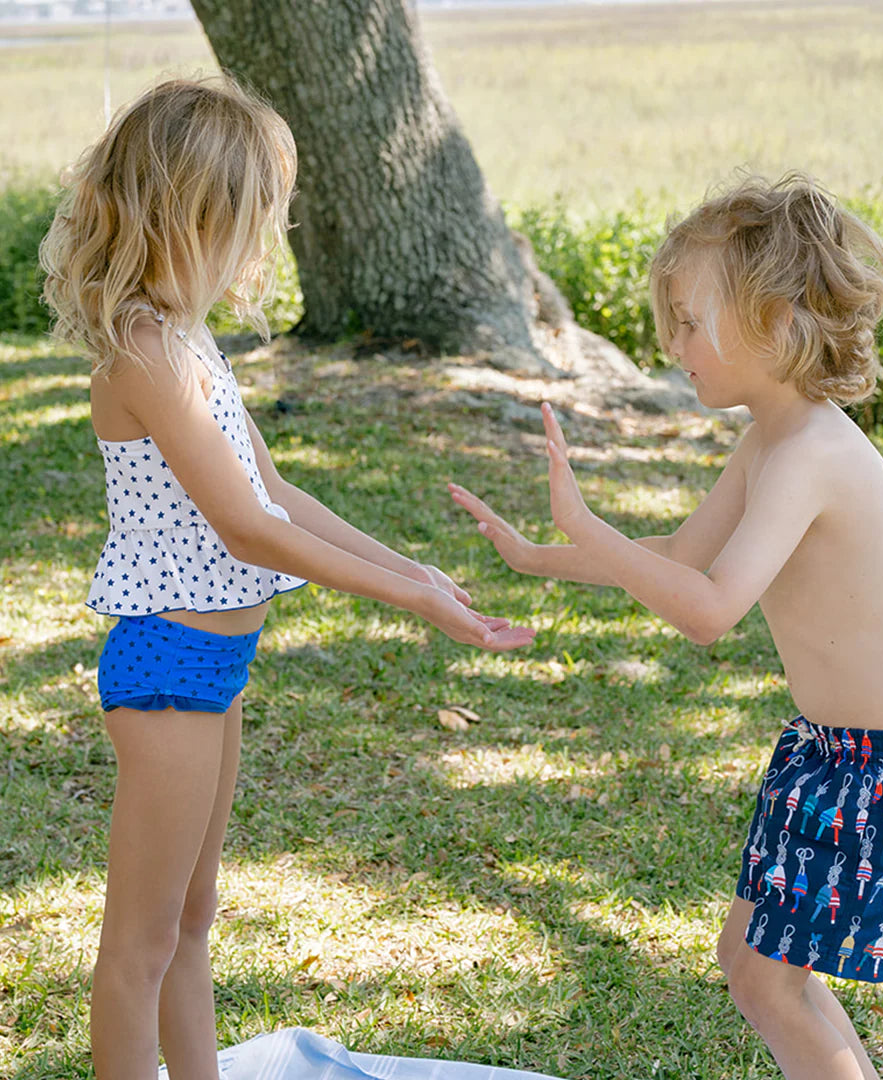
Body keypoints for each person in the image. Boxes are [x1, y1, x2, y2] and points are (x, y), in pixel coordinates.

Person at [39, 76, 534, 1080]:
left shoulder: (186, 340)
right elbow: (244, 527)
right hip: (170, 668)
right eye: (247, 220)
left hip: (214, 668)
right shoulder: (142, 352)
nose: (259, 242)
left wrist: (414, 568)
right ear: (187, 215)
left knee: (192, 916)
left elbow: (275, 489)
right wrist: (408, 600)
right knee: (138, 947)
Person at [449, 173, 883, 1080]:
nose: (674, 344)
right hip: (832, 755)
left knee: (771, 983)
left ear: (773, 320)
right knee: (756, 972)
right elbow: (687, 555)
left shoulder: (812, 451)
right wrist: (545, 555)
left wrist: (586, 525)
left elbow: (708, 610)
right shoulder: (772, 437)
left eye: (691, 322)